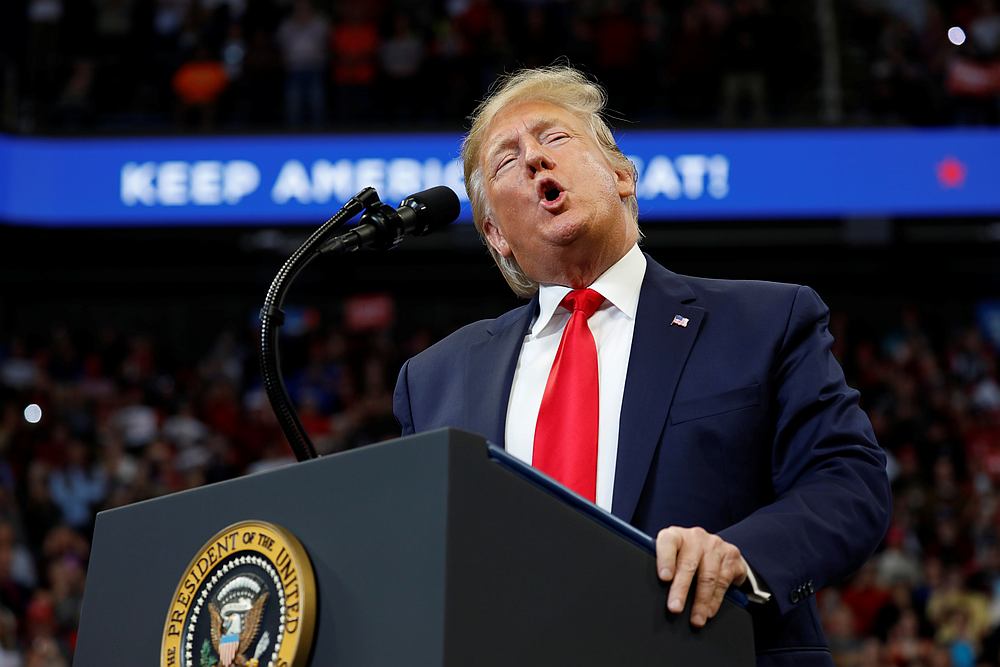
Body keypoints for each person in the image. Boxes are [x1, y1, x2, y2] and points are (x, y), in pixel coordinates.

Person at [392, 65, 891, 667]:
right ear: (496, 234)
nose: (533, 161)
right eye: (506, 161)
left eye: (555, 138)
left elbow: (848, 482)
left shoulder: (765, 321)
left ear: (622, 177)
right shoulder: (434, 380)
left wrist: (740, 555)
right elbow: (415, 567)